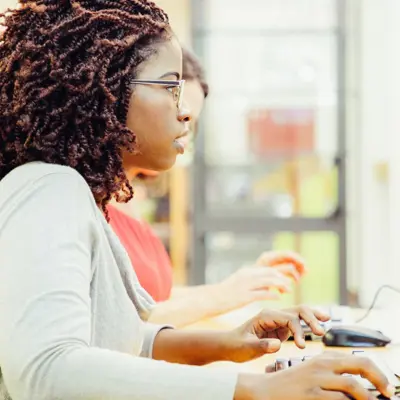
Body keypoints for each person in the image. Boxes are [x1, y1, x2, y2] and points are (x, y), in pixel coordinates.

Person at [0, 1, 394, 400]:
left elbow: (118, 339)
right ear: (101, 91)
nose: (185, 112)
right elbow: (48, 371)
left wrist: (227, 343)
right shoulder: (49, 189)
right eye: (170, 86)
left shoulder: (79, 198)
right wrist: (255, 388)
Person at [107, 48, 307, 326]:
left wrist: (240, 285)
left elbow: (153, 301)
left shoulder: (128, 198)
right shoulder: (88, 203)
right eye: (179, 112)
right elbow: (125, 325)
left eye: (192, 121)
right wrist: (226, 295)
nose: (184, 131)